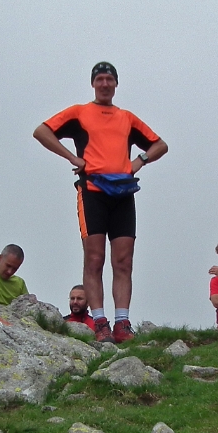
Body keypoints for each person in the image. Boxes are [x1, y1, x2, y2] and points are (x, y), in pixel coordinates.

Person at [33, 62, 168, 343]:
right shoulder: (79, 113)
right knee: (94, 259)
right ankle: (100, 321)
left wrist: (139, 161)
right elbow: (42, 131)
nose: (105, 84)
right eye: (100, 79)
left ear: (116, 84)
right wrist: (72, 157)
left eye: (109, 79)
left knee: (123, 261)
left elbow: (160, 145)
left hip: (123, 192)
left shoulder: (127, 118)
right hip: (92, 190)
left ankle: (122, 323)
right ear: (93, 83)